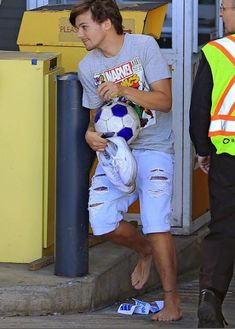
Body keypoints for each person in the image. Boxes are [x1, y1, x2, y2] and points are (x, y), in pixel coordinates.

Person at [70, 0, 182, 321]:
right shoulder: (87, 66)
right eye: (78, 28)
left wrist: (124, 90)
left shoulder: (143, 46)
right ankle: (143, 250)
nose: (80, 34)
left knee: (157, 221)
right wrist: (90, 136)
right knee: (102, 222)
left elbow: (165, 100)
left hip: (155, 146)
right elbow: (97, 119)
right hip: (116, 151)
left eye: (84, 26)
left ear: (106, 23)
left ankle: (172, 301)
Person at [189, 1, 235, 327]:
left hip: (226, 155)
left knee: (224, 227)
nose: (221, 13)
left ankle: (210, 296)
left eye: (227, 7)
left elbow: (199, 108)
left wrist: (202, 149)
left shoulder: (215, 51)